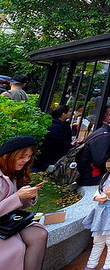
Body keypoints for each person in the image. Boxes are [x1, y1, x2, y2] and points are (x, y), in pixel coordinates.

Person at [0, 136, 48, 270]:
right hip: (4, 222)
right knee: (17, 247)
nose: (26, 160)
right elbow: (12, 200)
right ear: (7, 156)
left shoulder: (13, 173)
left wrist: (29, 196)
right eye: (22, 157)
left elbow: (15, 204)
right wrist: (17, 196)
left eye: (29, 156)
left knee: (40, 234)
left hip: (7, 221)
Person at [33, 105, 73, 172]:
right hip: (49, 158)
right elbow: (59, 143)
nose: (71, 113)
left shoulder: (57, 124)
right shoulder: (57, 127)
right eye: (70, 111)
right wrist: (70, 145)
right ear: (63, 114)